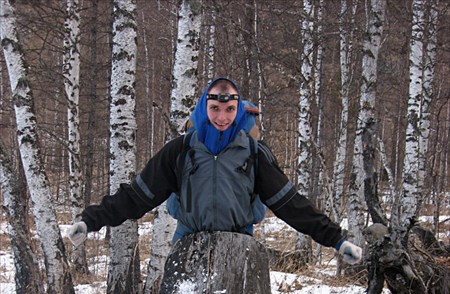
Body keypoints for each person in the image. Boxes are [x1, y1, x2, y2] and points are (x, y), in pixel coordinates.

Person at [68, 77, 362, 266]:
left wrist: (336, 239)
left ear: (238, 111)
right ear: (203, 108)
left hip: (239, 249)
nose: (222, 117)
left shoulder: (253, 153)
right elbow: (137, 196)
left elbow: (291, 205)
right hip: (187, 247)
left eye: (230, 110)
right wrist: (91, 220)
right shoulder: (180, 150)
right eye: (215, 109)